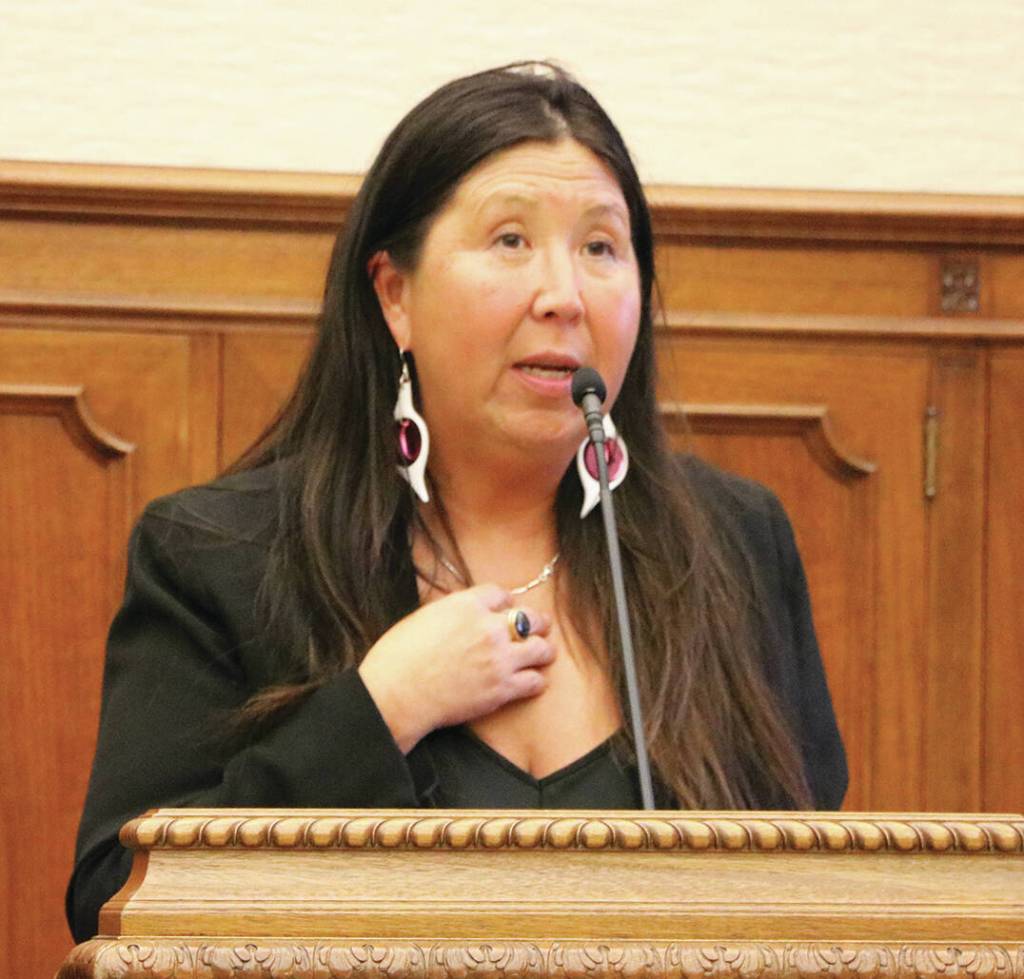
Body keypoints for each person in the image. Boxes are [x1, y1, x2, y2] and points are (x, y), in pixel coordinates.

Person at [66, 62, 847, 944]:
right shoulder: (220, 554)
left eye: (600, 248)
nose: (564, 297)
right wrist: (380, 709)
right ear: (394, 294)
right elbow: (116, 900)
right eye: (510, 240)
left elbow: (815, 896)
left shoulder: (736, 543)